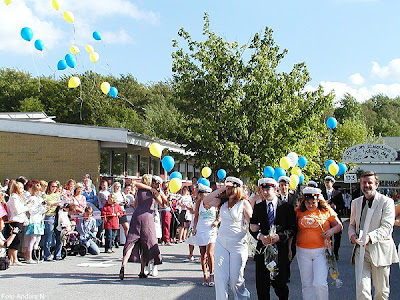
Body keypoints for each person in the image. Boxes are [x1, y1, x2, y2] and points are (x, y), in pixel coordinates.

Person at [348, 171, 399, 300]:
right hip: (361, 251)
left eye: (370, 183)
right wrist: (352, 235)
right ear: (360, 184)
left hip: (380, 249)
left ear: (376, 184)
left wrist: (369, 237)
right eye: (364, 183)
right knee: (362, 290)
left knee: (381, 291)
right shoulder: (355, 202)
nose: (367, 185)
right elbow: (352, 225)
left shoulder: (387, 202)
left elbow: (387, 227)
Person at [203, 176, 253, 300]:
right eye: (228, 188)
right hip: (222, 243)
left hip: (238, 244)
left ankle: (242, 297)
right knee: (220, 277)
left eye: (232, 188)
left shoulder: (243, 203)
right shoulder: (222, 202)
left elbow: (252, 223)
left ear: (239, 189)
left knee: (236, 278)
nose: (230, 191)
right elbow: (206, 201)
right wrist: (220, 190)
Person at [250, 178, 296, 300]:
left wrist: (279, 237)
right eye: (262, 190)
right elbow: (252, 226)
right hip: (263, 250)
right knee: (262, 285)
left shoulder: (286, 207)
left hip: (280, 249)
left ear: (275, 189)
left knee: (280, 284)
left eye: (267, 189)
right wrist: (260, 237)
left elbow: (292, 228)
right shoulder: (259, 207)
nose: (265, 192)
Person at [296, 187, 342, 300]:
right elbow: (292, 229)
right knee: (307, 284)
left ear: (318, 201)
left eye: (313, 202)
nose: (310, 205)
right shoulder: (298, 211)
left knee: (320, 283)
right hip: (303, 251)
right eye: (308, 202)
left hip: (322, 251)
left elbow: (339, 226)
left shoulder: (326, 210)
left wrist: (331, 231)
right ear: (304, 201)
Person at [119, 174, 165, 280]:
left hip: (136, 216)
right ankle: (142, 270)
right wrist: (159, 193)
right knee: (147, 243)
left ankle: (123, 265)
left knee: (130, 242)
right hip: (147, 217)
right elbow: (163, 204)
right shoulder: (153, 192)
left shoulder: (139, 190)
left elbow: (135, 203)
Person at [186, 183, 218, 286]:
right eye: (200, 194)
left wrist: (217, 221)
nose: (200, 196)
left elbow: (220, 214)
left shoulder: (215, 202)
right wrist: (194, 229)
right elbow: (196, 217)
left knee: (210, 253)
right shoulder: (198, 204)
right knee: (202, 254)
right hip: (201, 228)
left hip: (211, 229)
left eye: (202, 194)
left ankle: (212, 275)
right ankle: (205, 276)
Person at [5, 182, 30, 265]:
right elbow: (17, 210)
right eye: (21, 188)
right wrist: (27, 207)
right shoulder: (14, 197)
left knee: (16, 241)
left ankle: (12, 259)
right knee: (15, 241)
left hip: (19, 220)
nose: (22, 190)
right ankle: (14, 259)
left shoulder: (17, 197)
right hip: (15, 220)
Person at [322, 176, 344, 260]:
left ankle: (336, 252)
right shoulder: (322, 193)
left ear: (332, 183)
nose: (327, 184)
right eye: (326, 182)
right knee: (328, 236)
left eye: (328, 182)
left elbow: (342, 205)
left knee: (338, 237)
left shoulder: (338, 193)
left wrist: (334, 206)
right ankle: (329, 252)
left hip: (336, 217)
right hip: (326, 219)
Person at [25, 182, 47, 264]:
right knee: (32, 239)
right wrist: (39, 207)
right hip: (34, 220)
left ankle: (36, 255)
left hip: (39, 220)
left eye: (39, 190)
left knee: (38, 238)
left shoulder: (40, 199)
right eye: (37, 190)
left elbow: (42, 211)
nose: (38, 192)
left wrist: (45, 207)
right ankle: (28, 256)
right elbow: (31, 211)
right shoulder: (32, 199)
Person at [42, 180, 61, 261]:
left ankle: (58, 254)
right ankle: (47, 254)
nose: (54, 188)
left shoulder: (57, 195)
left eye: (56, 186)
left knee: (59, 235)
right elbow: (44, 206)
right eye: (52, 186)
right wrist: (53, 204)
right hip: (48, 216)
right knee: (48, 235)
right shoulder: (45, 196)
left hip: (57, 215)